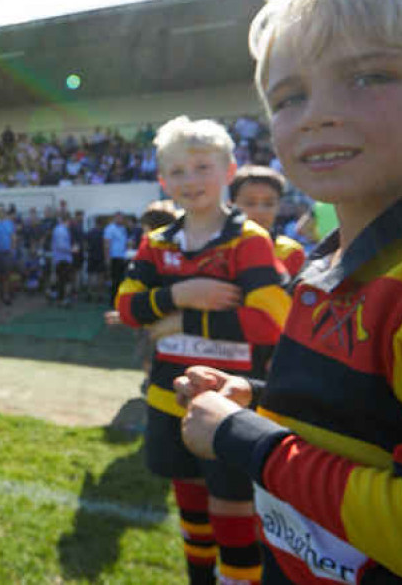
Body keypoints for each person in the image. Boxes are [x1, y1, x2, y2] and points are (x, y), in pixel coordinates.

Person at [177, 0, 402, 584]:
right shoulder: (330, 266)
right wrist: (256, 402)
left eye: (369, 76)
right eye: (290, 97)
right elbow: (362, 426)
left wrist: (246, 439)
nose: (315, 114)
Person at [115, 116, 291, 585]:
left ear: (228, 170)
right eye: (177, 171)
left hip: (228, 405)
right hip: (166, 400)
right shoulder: (156, 243)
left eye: (202, 167)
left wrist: (181, 320)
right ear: (161, 179)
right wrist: (180, 295)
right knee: (191, 507)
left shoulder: (248, 240)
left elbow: (271, 322)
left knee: (232, 511)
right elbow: (127, 308)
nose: (189, 180)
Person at [229, 166, 306, 280]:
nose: (260, 211)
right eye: (250, 203)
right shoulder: (220, 251)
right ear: (231, 204)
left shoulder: (290, 252)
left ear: (278, 206)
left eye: (269, 204)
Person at [0, 204, 16, 306]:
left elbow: (13, 237)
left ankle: (5, 296)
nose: (1, 213)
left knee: (6, 276)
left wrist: (12, 251)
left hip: (6, 253)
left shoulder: (9, 223)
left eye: (2, 211)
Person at [103, 210, 128, 305]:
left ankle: (119, 300)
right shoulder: (110, 228)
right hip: (114, 257)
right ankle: (113, 301)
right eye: (118, 217)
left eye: (121, 218)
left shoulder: (123, 229)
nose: (120, 219)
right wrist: (107, 258)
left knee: (122, 280)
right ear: (115, 218)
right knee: (115, 280)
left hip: (123, 257)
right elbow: (106, 244)